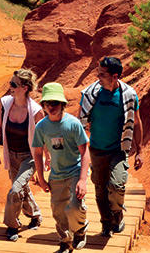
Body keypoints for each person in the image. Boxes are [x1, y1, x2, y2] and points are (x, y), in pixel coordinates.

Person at [78, 56, 144, 237]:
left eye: (103, 74)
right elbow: (81, 123)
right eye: (98, 72)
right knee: (100, 189)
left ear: (115, 76)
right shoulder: (91, 94)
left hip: (118, 149)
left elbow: (136, 123)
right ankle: (106, 223)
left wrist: (139, 151)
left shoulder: (129, 95)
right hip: (97, 149)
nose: (98, 76)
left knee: (116, 186)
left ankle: (117, 215)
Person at [33, 82, 89, 253]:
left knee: (74, 206)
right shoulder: (41, 127)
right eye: (47, 103)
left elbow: (85, 151)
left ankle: (80, 229)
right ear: (43, 105)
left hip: (74, 171)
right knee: (58, 211)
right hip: (56, 175)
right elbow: (37, 153)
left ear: (62, 104)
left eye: (55, 103)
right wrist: (41, 179)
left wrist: (83, 179)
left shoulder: (73, 124)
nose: (51, 106)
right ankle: (65, 242)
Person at [0, 69, 45, 241]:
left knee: (15, 190)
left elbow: (42, 139)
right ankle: (35, 215)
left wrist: (46, 161)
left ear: (25, 88)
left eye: (13, 84)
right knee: (21, 188)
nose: (9, 87)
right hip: (10, 155)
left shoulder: (36, 111)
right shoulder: (4, 104)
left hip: (29, 157)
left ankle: (12, 226)